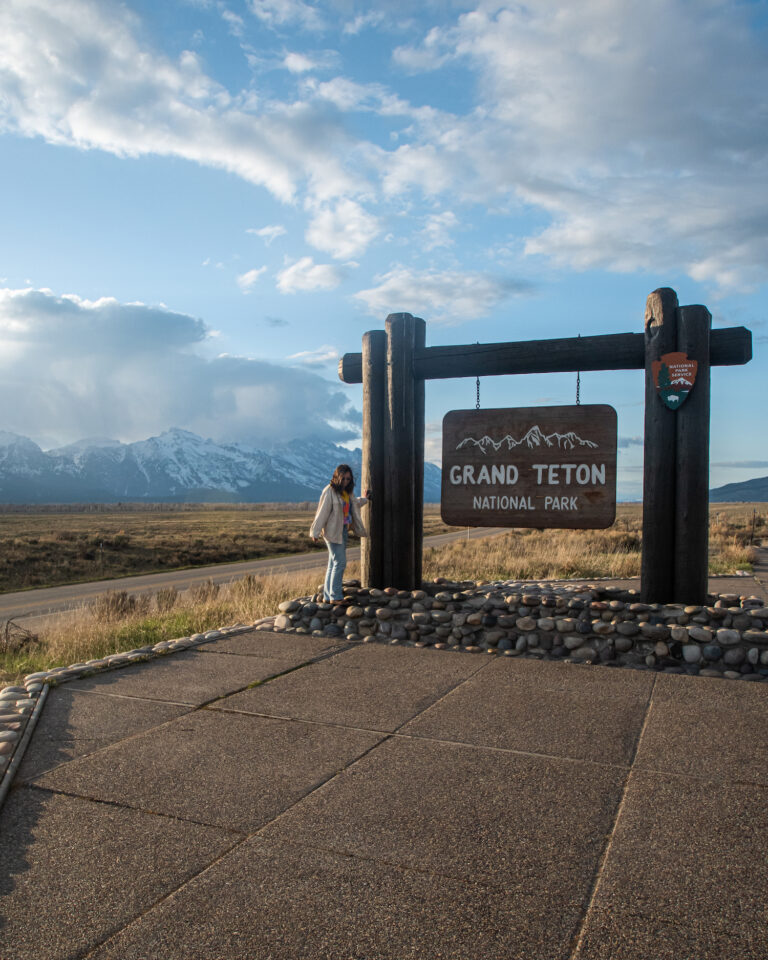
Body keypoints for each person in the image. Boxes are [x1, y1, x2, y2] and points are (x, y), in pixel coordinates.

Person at [310, 464, 371, 603]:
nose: (345, 481)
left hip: (343, 530)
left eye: (348, 479)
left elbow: (353, 505)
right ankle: (335, 596)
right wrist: (315, 531)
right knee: (340, 562)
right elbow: (322, 512)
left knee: (333, 563)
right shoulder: (329, 491)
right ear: (337, 476)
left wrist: (365, 499)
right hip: (332, 532)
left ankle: (328, 596)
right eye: (343, 478)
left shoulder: (346, 492)